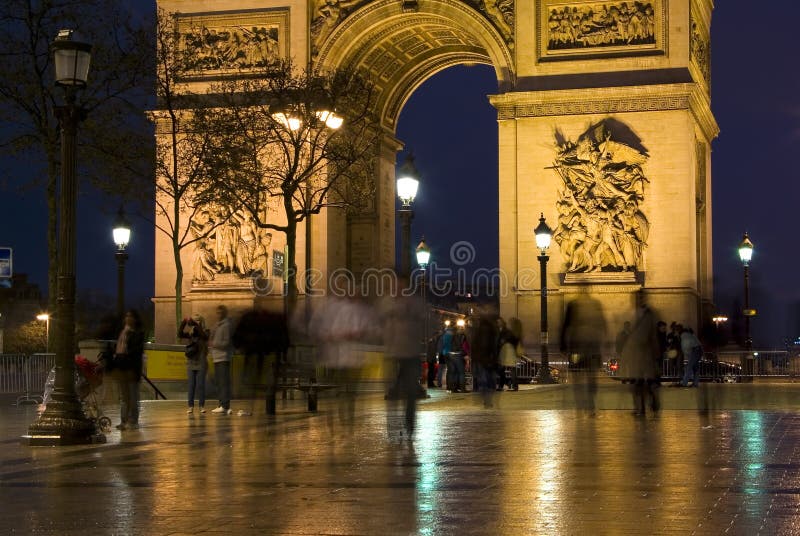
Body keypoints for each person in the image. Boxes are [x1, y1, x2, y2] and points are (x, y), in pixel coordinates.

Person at [561, 294, 607, 413]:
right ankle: (587, 402)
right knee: (587, 376)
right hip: (587, 348)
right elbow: (603, 324)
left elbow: (565, 326)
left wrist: (563, 344)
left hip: (580, 348)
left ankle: (582, 402)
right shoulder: (594, 304)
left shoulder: (573, 305)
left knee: (580, 376)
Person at [620, 295, 660, 416]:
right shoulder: (639, 315)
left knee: (642, 383)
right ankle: (642, 407)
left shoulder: (648, 315)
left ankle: (648, 404)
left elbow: (647, 336)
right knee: (639, 383)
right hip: (639, 354)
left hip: (645, 353)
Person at [114, 309, 145, 431]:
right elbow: (119, 348)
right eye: (126, 316)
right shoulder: (123, 332)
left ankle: (133, 420)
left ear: (135, 319)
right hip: (122, 367)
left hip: (132, 369)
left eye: (130, 316)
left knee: (133, 396)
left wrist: (128, 335)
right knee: (124, 397)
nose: (128, 318)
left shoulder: (137, 333)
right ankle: (123, 420)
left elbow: (135, 350)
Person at [178, 313, 209, 414]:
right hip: (191, 362)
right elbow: (179, 334)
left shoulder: (205, 331)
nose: (196, 322)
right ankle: (190, 406)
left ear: (201, 321)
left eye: (198, 320)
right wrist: (184, 322)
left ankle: (201, 406)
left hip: (201, 361)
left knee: (200, 385)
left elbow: (204, 336)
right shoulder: (190, 334)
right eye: (195, 320)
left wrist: (196, 325)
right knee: (191, 385)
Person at [209, 305, 234, 414]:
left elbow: (226, 342)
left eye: (219, 313)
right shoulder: (217, 325)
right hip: (217, 357)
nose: (217, 314)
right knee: (219, 382)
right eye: (217, 312)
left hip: (223, 357)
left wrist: (214, 344)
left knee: (223, 382)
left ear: (224, 313)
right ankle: (221, 404)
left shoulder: (226, 326)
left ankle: (224, 405)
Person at [496, 317, 521, 391]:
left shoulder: (507, 332)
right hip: (502, 352)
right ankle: (506, 383)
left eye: (499, 322)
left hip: (507, 351)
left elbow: (514, 340)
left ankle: (513, 385)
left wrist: (505, 341)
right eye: (497, 322)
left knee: (511, 369)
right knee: (501, 369)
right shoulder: (499, 331)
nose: (498, 323)